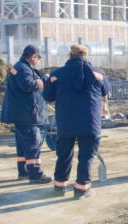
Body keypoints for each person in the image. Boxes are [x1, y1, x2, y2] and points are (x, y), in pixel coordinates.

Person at [43, 45, 110, 199]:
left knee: (64, 154)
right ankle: (81, 189)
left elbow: (47, 96)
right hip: (90, 123)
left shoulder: (57, 74)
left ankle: (59, 186)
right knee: (86, 156)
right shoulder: (98, 73)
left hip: (66, 122)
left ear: (70, 55)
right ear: (86, 55)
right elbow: (105, 91)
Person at [0, 45, 52, 183]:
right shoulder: (23, 68)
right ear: (32, 56)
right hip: (26, 114)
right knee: (33, 144)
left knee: (23, 147)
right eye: (38, 57)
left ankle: (23, 172)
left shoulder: (22, 67)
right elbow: (28, 85)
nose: (39, 60)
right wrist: (41, 83)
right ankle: (36, 174)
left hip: (23, 113)